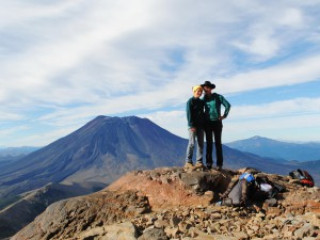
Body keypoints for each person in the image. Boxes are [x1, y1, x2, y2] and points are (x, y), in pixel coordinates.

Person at [202, 80, 231, 170]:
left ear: (211, 88)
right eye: (205, 87)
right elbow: (199, 108)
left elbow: (227, 105)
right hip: (207, 123)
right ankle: (209, 163)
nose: (206, 89)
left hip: (217, 123)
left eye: (208, 87)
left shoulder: (217, 97)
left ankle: (219, 164)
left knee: (218, 143)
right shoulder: (203, 99)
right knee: (209, 143)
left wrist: (224, 115)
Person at [185, 85, 205, 169]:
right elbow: (189, 113)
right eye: (198, 91)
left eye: (200, 91)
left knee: (200, 143)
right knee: (192, 143)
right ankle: (188, 161)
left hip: (201, 126)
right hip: (192, 126)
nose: (199, 92)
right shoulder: (190, 101)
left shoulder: (201, 102)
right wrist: (191, 125)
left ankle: (199, 162)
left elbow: (202, 113)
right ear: (194, 91)